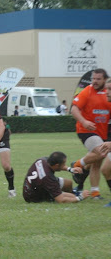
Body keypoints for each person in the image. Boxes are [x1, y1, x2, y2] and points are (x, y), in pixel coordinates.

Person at [70, 68, 111, 199]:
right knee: (101, 152)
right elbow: (74, 109)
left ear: (105, 80)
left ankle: (95, 192)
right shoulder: (87, 91)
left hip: (102, 133)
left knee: (97, 161)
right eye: (93, 78)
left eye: (98, 79)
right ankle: (77, 164)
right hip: (86, 131)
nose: (94, 81)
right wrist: (84, 121)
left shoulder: (108, 93)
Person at [23, 152, 90, 203]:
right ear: (56, 165)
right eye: (63, 164)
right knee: (72, 197)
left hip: (31, 187)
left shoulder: (43, 160)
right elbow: (61, 200)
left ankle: (73, 193)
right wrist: (80, 198)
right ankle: (75, 195)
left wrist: (70, 169)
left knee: (68, 183)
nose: (64, 165)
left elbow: (56, 167)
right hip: (34, 196)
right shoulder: (48, 178)